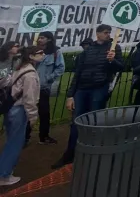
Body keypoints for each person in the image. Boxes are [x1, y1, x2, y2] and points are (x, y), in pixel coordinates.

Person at [52, 24, 124, 169]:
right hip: (82, 89)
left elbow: (120, 68)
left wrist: (112, 60)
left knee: (94, 122)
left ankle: (92, 153)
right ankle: (70, 153)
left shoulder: (114, 48)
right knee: (77, 121)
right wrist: (70, 95)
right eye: (105, 32)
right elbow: (77, 73)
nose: (108, 34)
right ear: (97, 34)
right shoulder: (88, 50)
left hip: (99, 88)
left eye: (109, 32)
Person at [0, 46, 43, 186]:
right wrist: (33, 117)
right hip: (19, 110)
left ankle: (4, 171)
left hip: (11, 108)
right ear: (31, 56)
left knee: (11, 141)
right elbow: (29, 99)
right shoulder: (30, 73)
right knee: (14, 143)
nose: (43, 55)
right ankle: (4, 175)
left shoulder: (20, 67)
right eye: (40, 53)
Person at [26, 31, 64, 146]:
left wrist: (48, 78)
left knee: (44, 113)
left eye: (42, 38)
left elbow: (60, 68)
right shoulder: (32, 51)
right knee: (27, 113)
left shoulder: (56, 52)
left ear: (48, 39)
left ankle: (44, 137)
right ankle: (24, 137)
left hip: (43, 88)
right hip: (30, 88)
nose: (39, 39)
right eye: (39, 37)